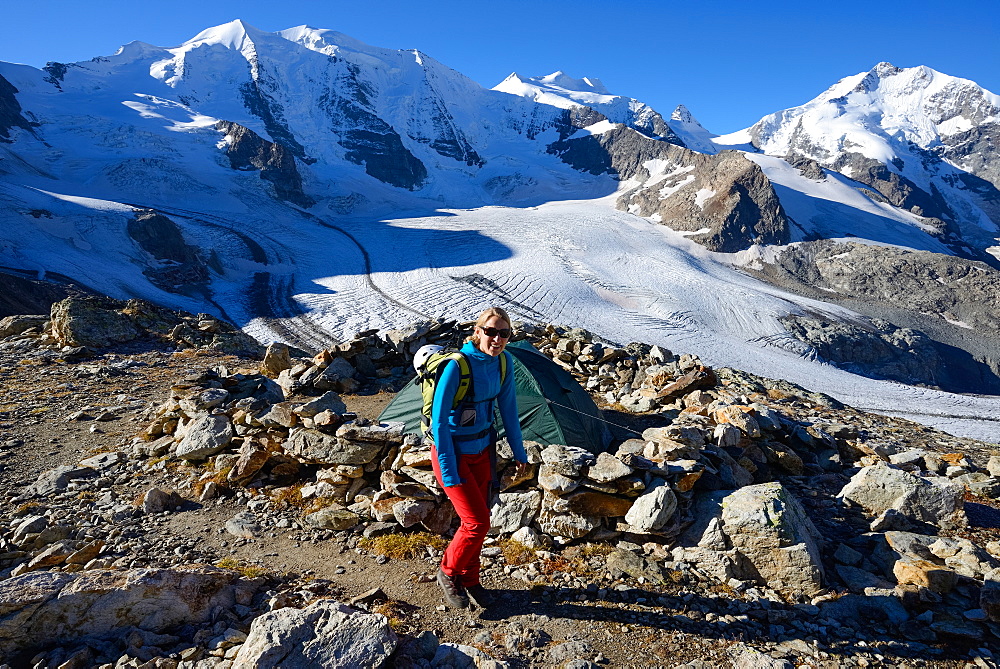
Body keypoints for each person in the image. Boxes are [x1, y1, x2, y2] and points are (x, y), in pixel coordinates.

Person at [429, 306, 530, 608]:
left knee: (480, 521)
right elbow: (438, 422)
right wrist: (447, 469)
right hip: (453, 454)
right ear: (477, 332)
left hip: (483, 451)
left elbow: (509, 410)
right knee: (476, 522)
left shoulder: (503, 363)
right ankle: (447, 572)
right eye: (491, 331)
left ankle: (471, 580)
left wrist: (518, 450)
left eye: (504, 333)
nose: (497, 339)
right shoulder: (457, 367)